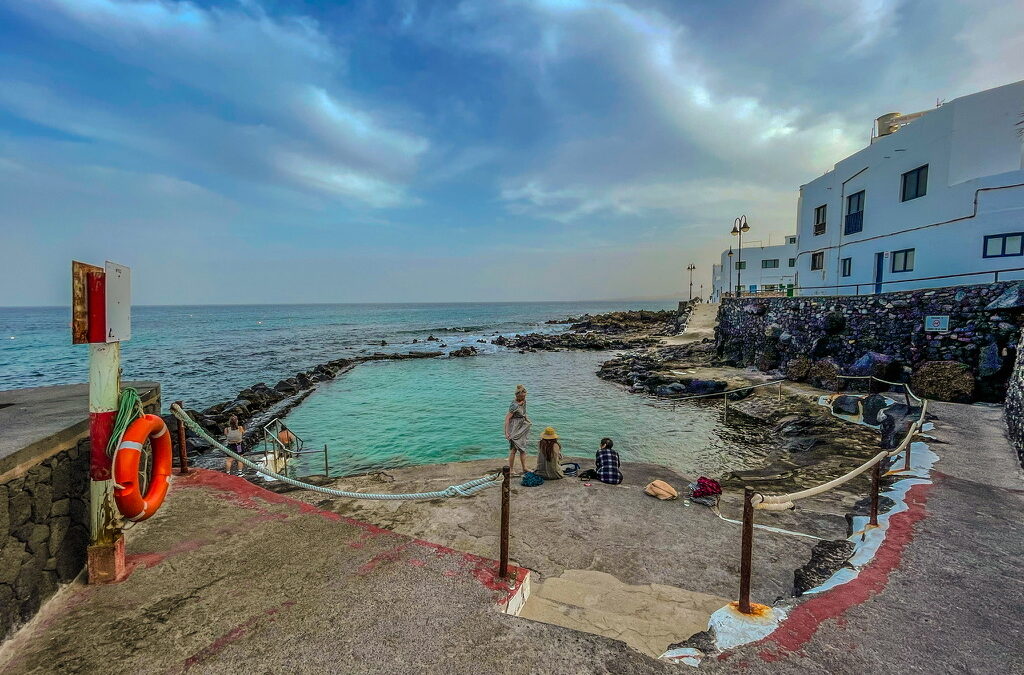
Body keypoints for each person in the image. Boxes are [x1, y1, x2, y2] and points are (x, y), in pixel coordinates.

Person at [504, 384, 532, 475]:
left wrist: (528, 421)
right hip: (514, 427)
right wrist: (506, 432)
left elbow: (524, 413)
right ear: (517, 395)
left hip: (522, 426)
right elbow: (507, 418)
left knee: (523, 449)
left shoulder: (524, 401)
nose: (524, 397)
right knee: (513, 450)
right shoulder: (513, 405)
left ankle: (524, 468)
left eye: (525, 396)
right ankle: (511, 469)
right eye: (522, 396)